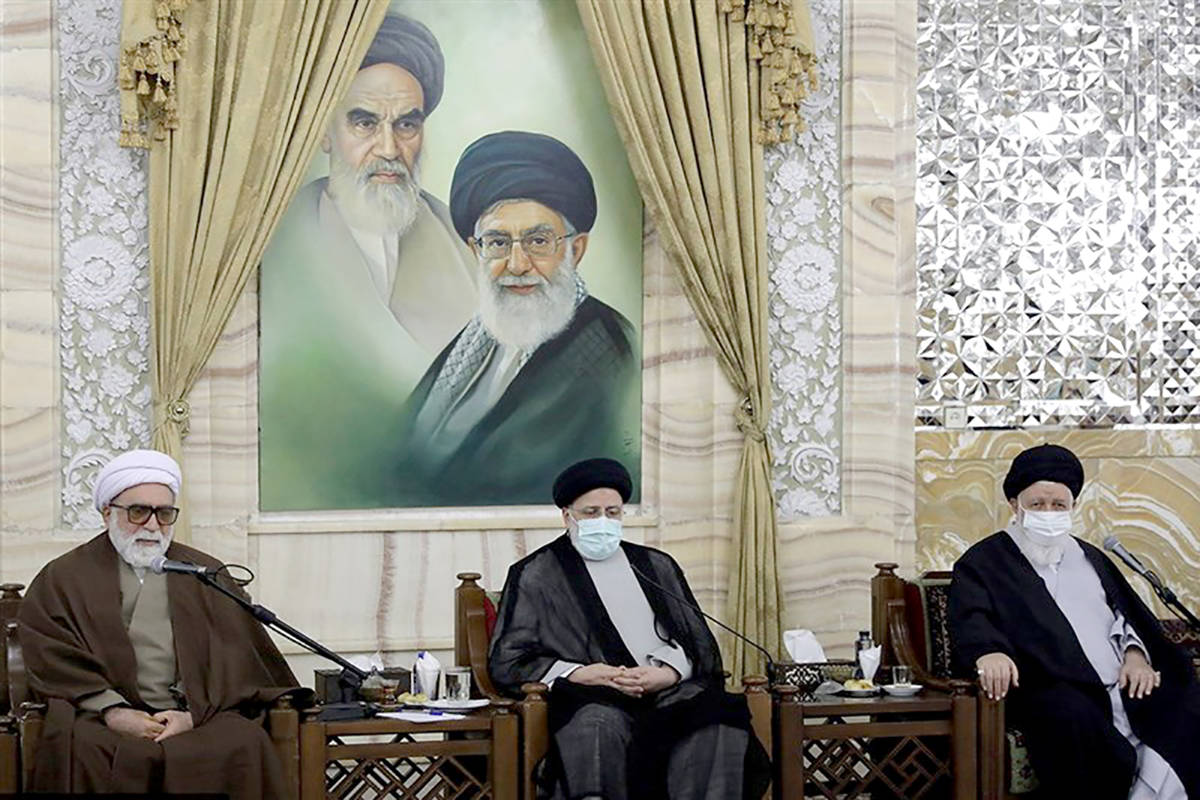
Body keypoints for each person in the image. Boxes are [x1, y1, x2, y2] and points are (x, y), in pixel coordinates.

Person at [259, 13, 477, 509]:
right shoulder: (277, 241)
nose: (389, 148)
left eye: (407, 125)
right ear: (323, 133)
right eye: (364, 122)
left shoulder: (464, 240)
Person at [17, 449, 304, 798]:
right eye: (138, 511)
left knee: (244, 741)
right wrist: (112, 710)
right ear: (107, 512)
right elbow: (50, 653)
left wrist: (192, 714)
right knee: (81, 748)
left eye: (164, 513)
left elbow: (238, 659)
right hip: (103, 717)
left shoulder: (202, 572)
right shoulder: (64, 577)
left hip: (194, 715)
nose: (152, 525)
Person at [488, 458, 769, 800]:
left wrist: (668, 673)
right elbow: (509, 661)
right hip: (592, 698)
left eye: (612, 512)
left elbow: (698, 645)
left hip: (667, 692)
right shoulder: (536, 574)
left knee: (718, 715)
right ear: (567, 515)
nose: (603, 521)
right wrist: (582, 673)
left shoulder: (655, 566)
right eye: (591, 513)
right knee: (595, 726)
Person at [393, 131, 640, 506]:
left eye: (538, 241)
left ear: (575, 249)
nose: (518, 264)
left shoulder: (605, 347)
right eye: (498, 242)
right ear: (475, 250)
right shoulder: (484, 331)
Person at [948, 443, 1200, 799]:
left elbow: (1126, 614)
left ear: (1073, 506)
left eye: (1058, 505)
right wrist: (989, 652)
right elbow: (971, 617)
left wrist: (1136, 656)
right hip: (1048, 685)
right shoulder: (984, 561)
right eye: (1037, 504)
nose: (1048, 512)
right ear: (1014, 505)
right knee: (1070, 715)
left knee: (1182, 699)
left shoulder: (1091, 556)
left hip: (1121, 683)